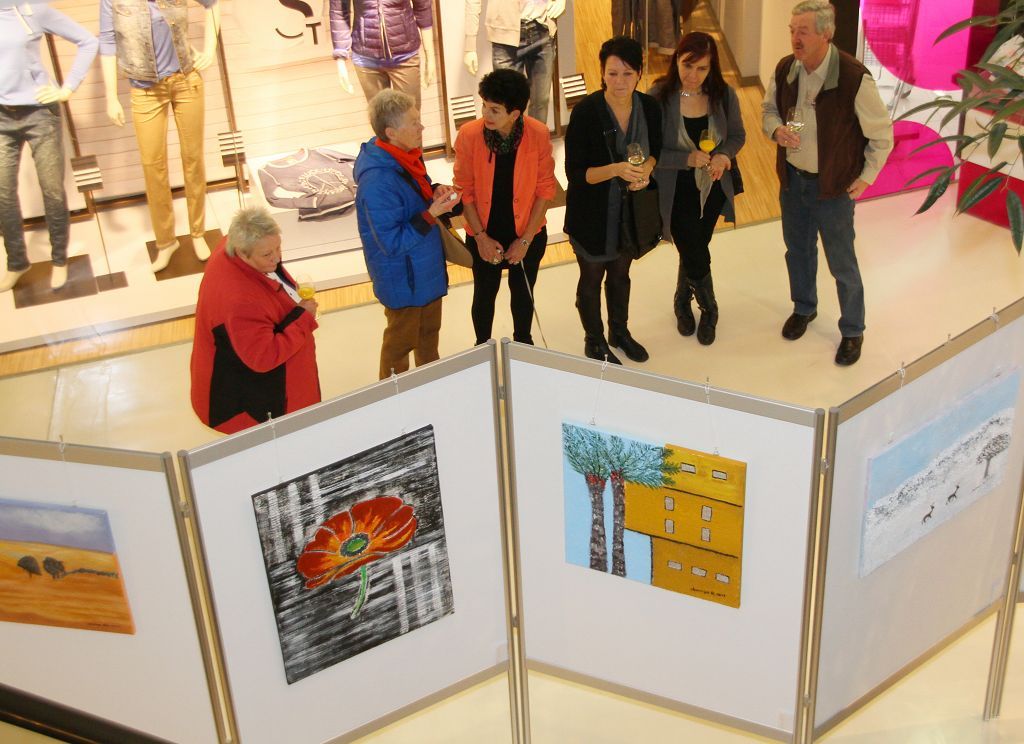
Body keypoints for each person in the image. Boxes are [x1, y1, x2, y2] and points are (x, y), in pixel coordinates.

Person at [762, 0, 893, 366]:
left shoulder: (854, 78)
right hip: (793, 183)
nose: (795, 38)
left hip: (833, 190)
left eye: (803, 31)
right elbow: (768, 109)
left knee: (842, 262)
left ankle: (853, 329)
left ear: (826, 34)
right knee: (797, 251)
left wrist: (866, 178)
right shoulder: (787, 69)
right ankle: (804, 307)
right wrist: (776, 130)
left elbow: (882, 136)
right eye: (792, 31)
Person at [99, 0, 221, 273]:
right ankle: (166, 241)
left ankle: (198, 232)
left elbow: (213, 4)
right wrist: (110, 96)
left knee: (193, 158)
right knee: (153, 166)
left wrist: (209, 49)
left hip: (186, 80)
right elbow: (107, 42)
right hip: (144, 89)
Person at [564, 36, 661, 364]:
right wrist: (616, 170)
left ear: (639, 74)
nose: (620, 81)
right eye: (613, 73)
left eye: (628, 73)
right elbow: (576, 174)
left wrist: (646, 169)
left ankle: (619, 331)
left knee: (621, 273)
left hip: (630, 211)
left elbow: (656, 151)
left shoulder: (649, 107)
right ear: (602, 73)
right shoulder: (586, 113)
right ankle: (594, 340)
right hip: (592, 213)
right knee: (592, 277)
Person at [354, 89, 461, 379]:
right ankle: (394, 398)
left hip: (424, 271)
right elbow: (390, 243)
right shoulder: (377, 181)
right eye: (413, 123)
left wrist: (433, 191)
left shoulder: (406, 157)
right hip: (403, 281)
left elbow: (414, 198)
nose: (421, 127)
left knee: (429, 337)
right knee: (399, 348)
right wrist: (431, 214)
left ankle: (430, 387)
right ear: (391, 132)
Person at [649, 31, 745, 346]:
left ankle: (681, 297)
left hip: (712, 188)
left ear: (711, 67)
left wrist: (723, 155)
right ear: (676, 60)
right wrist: (685, 158)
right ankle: (709, 307)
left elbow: (737, 135)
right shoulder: (659, 96)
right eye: (687, 65)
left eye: (702, 68)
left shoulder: (723, 95)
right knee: (694, 248)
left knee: (694, 247)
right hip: (674, 189)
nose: (693, 75)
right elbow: (650, 150)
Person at [190, 206, 320, 435]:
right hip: (253, 405)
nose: (277, 257)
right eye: (267, 254)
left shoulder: (232, 246)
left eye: (278, 247)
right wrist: (303, 319)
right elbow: (264, 356)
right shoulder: (240, 301)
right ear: (242, 253)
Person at [453, 68, 556, 346]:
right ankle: (482, 347)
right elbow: (464, 191)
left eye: (494, 110)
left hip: (527, 231)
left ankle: (523, 344)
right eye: (484, 105)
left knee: (523, 294)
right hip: (483, 231)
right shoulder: (469, 135)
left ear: (515, 113)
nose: (485, 114)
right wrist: (481, 238)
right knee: (484, 294)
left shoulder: (538, 134)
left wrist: (525, 240)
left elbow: (545, 190)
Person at [0, 3, 97, 293]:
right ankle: (17, 262)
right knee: (3, 194)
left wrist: (67, 89)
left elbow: (87, 40)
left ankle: (59, 259)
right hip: (1, 117)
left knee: (52, 190)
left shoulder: (33, 9)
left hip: (40, 113)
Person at [463, 0, 565, 124]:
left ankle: (536, 137)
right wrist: (470, 46)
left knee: (541, 101)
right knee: (506, 104)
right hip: (504, 36)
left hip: (541, 30)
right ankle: (511, 137)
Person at [329, 0, 435, 108]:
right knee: (379, 117)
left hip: (405, 56)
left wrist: (430, 55)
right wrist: (340, 58)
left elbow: (423, 7)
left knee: (410, 115)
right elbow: (339, 12)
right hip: (366, 60)